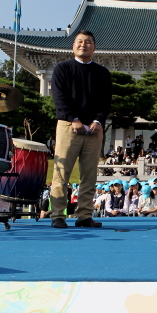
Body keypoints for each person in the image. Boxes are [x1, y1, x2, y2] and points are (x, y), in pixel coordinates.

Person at [49, 30, 112, 229]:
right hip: (69, 127)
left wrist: (98, 121)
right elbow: (59, 98)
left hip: (94, 129)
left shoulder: (102, 72)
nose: (83, 45)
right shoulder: (62, 68)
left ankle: (84, 215)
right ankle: (58, 214)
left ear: (94, 47)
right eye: (79, 41)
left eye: (88, 42)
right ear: (73, 45)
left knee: (89, 174)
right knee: (61, 172)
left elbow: (105, 101)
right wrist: (73, 118)